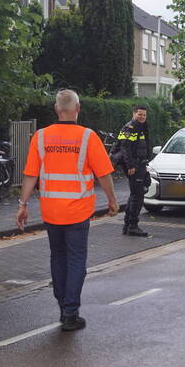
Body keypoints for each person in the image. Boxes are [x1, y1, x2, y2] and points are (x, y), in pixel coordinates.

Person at [16, 89, 119, 332]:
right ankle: (70, 313)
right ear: (77, 109)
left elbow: (31, 174)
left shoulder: (40, 137)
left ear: (56, 109)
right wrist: (112, 200)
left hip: (51, 211)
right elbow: (103, 173)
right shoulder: (88, 137)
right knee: (76, 261)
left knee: (57, 258)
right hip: (78, 211)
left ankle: (63, 305)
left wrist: (22, 205)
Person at [112, 104, 151, 237]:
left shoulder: (141, 127)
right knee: (137, 195)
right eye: (139, 114)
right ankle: (132, 226)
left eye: (144, 115)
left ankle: (128, 225)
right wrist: (130, 166)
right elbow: (125, 148)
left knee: (135, 194)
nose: (142, 117)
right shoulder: (130, 127)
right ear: (134, 114)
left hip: (140, 164)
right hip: (133, 166)